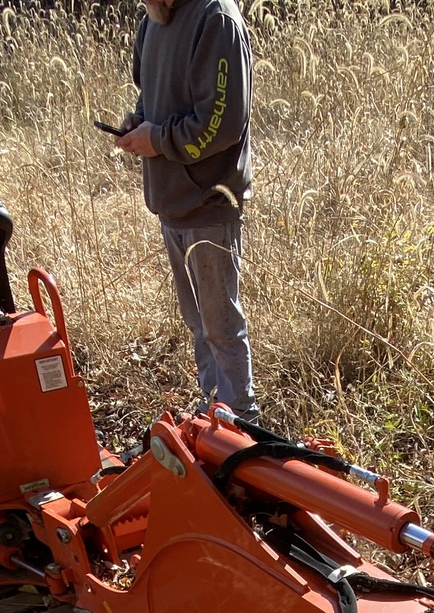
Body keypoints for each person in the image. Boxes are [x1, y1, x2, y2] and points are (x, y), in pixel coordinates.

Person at [114, 0, 257, 421]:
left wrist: (156, 140)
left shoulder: (217, 19)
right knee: (199, 326)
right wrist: (137, 124)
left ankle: (241, 426)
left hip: (209, 205)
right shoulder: (153, 18)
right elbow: (150, 95)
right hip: (170, 203)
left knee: (221, 329)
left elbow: (223, 124)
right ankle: (214, 415)